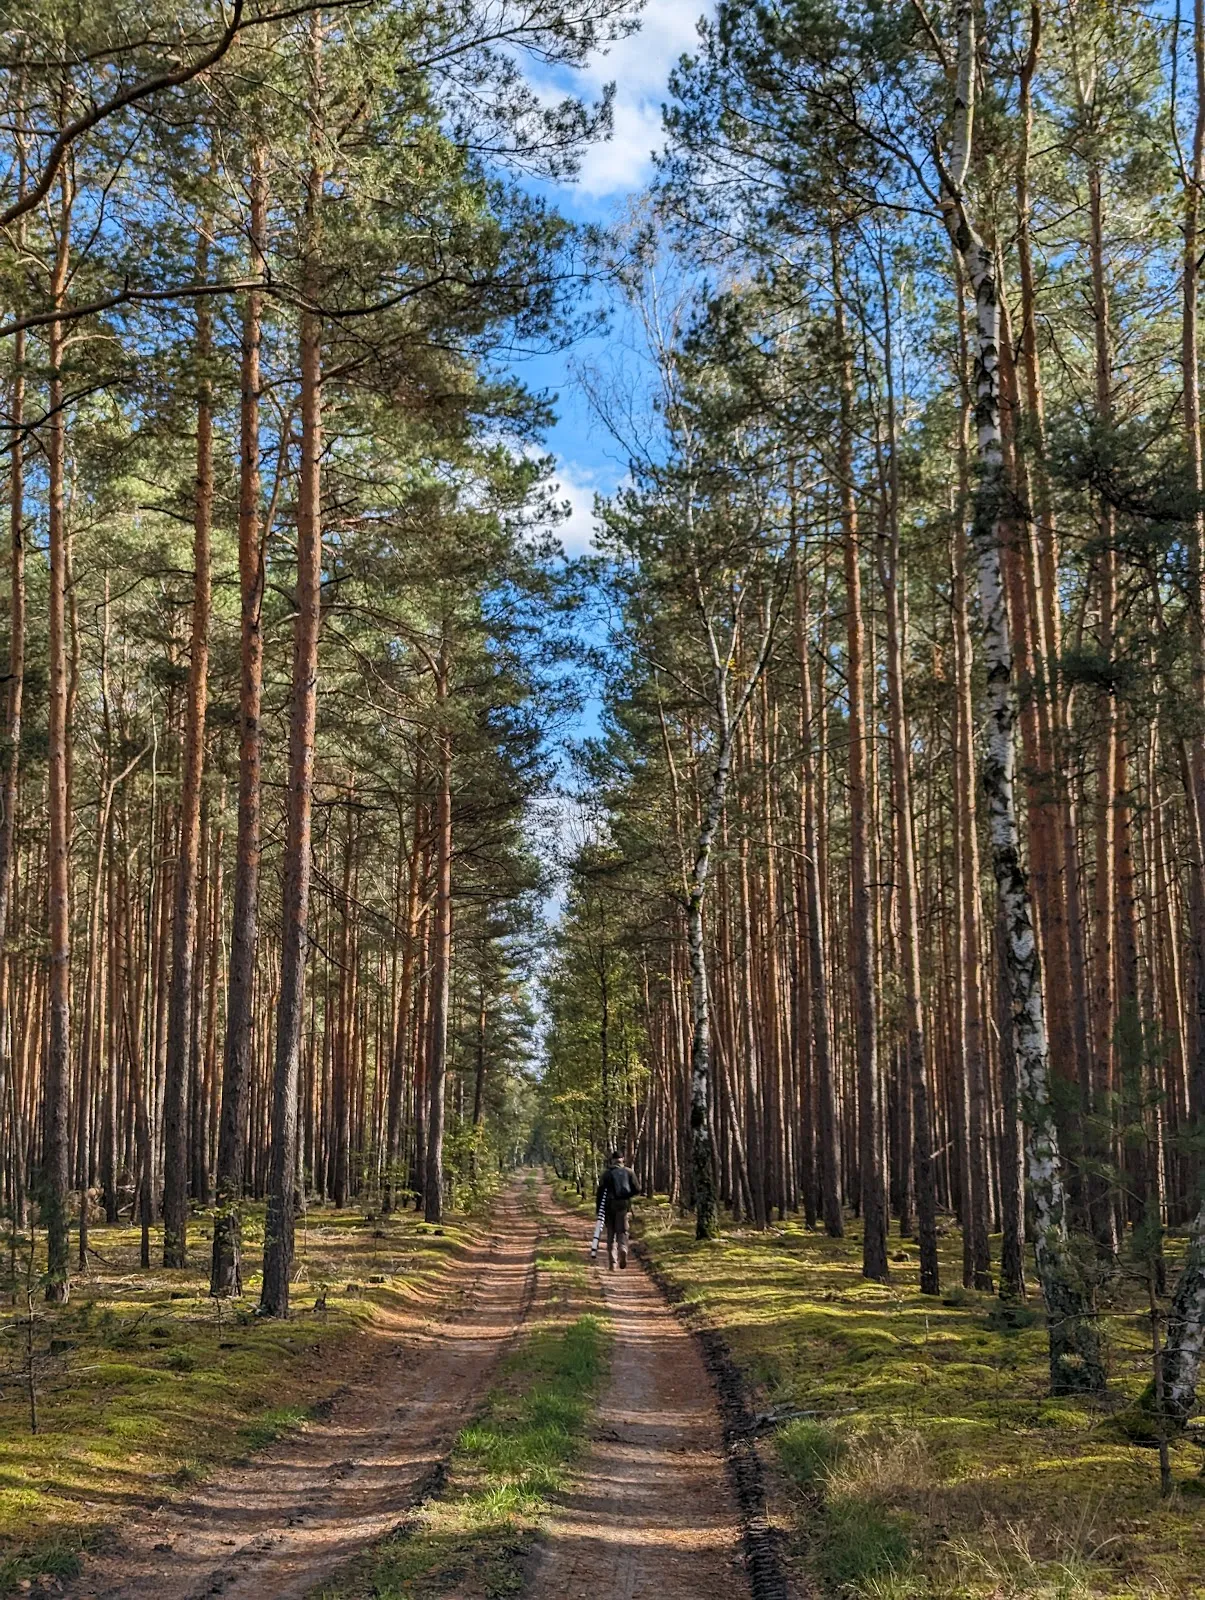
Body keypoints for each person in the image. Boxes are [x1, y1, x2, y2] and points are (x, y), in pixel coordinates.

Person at [595, 1150, 637, 1270]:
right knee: (623, 1231)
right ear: (622, 1159)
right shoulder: (629, 1172)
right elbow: (637, 1188)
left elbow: (600, 1193)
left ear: (612, 1160)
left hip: (609, 1207)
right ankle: (623, 1249)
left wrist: (598, 1210)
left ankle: (612, 1262)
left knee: (611, 1233)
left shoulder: (607, 1174)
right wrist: (627, 1195)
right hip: (623, 1206)